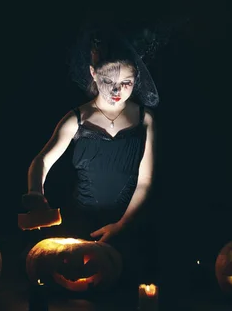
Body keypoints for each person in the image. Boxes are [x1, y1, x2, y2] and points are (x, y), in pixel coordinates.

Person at [22, 24, 164, 285]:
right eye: (108, 82)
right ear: (93, 74)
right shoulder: (78, 118)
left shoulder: (145, 120)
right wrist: (36, 193)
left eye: (126, 83)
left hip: (129, 226)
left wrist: (121, 225)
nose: (116, 91)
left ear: (136, 80)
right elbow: (42, 160)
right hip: (81, 224)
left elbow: (145, 182)